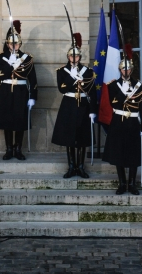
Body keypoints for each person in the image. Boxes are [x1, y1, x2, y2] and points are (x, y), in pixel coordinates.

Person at [0, 22, 37, 160]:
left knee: (20, 121)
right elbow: (1, 75)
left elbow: (33, 79)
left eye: (16, 44)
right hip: (6, 90)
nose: (14, 46)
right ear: (8, 44)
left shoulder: (27, 58)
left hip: (21, 91)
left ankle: (18, 148)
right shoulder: (0, 57)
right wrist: (11, 64)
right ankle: (9, 148)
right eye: (11, 44)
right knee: (7, 120)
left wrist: (32, 96)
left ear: (20, 44)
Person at [51, 33, 97, 179]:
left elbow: (93, 92)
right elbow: (62, 88)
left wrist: (93, 111)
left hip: (83, 105)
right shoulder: (62, 72)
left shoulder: (88, 72)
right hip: (69, 104)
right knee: (69, 137)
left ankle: (81, 166)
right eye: (72, 56)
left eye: (76, 57)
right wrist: (72, 79)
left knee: (82, 138)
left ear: (80, 57)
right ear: (68, 57)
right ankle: (71, 166)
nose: (74, 59)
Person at [102, 49, 142, 195]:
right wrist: (123, 90)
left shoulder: (139, 85)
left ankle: (132, 184)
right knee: (118, 152)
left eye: (128, 69)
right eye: (123, 69)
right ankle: (122, 183)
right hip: (118, 120)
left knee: (133, 153)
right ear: (120, 70)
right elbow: (115, 103)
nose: (126, 71)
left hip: (132, 122)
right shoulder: (113, 85)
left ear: (132, 70)